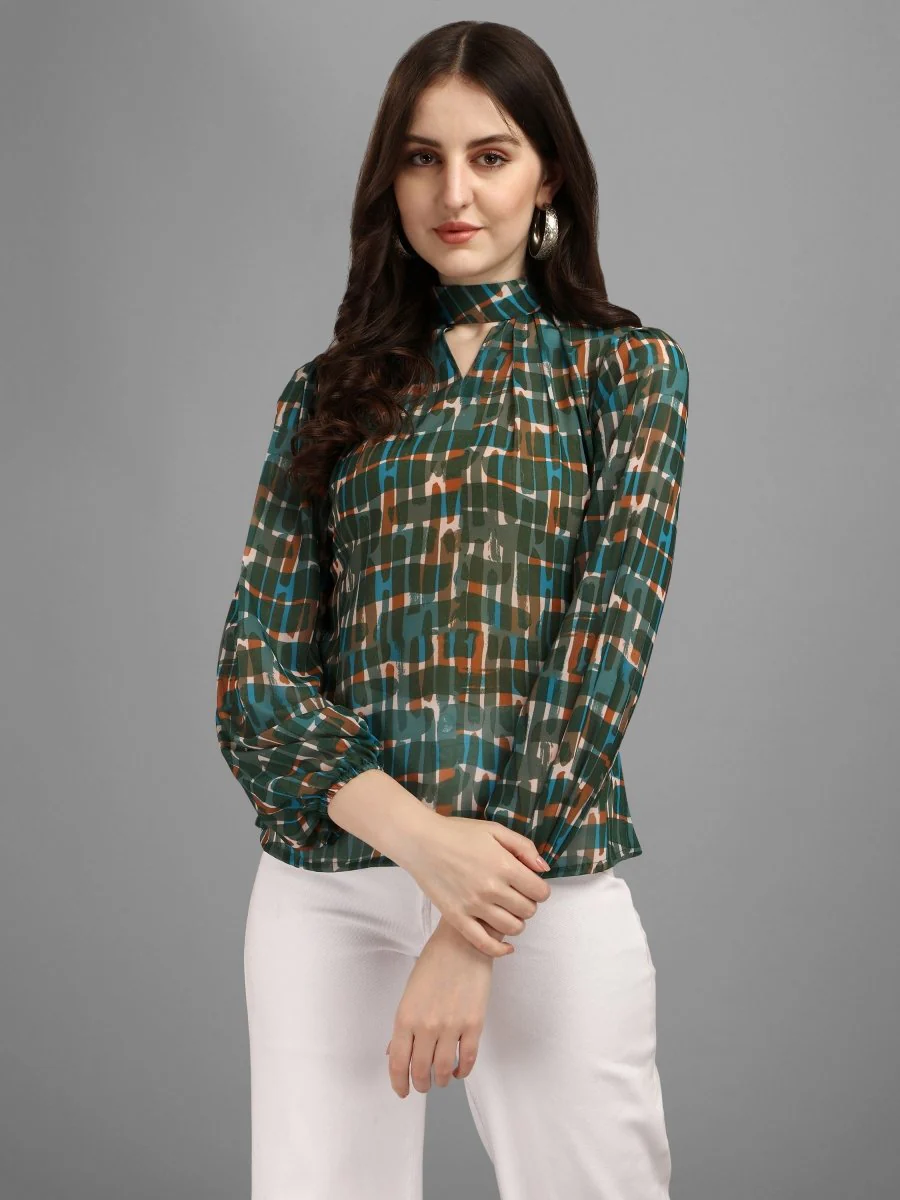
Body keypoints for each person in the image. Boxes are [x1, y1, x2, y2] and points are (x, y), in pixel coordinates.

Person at [215, 19, 688, 1200]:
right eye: (422, 158)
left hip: (539, 877)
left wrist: (473, 923)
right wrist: (421, 844)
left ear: (549, 176)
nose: (454, 194)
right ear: (391, 179)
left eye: (491, 155)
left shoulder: (625, 373)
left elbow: (604, 656)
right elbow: (254, 674)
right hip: (329, 882)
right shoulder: (325, 394)